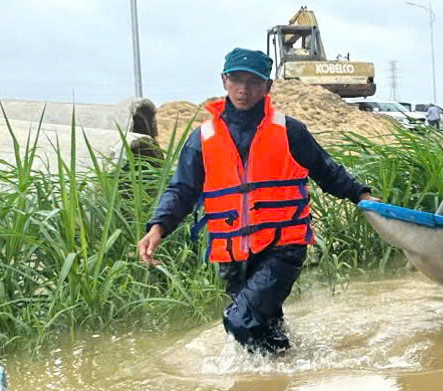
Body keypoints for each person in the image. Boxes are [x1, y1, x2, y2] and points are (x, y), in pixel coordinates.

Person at [137, 48, 378, 354]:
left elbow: (326, 170)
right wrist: (157, 227)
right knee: (264, 327)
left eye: (253, 81)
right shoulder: (202, 138)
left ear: (268, 86)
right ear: (224, 81)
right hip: (232, 252)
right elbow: (182, 189)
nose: (244, 89)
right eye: (237, 80)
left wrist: (362, 195)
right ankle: (278, 381)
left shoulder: (289, 131)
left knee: (240, 321)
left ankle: (265, 382)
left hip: (283, 247)